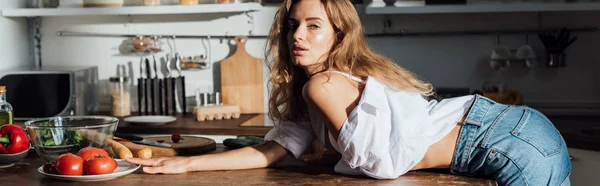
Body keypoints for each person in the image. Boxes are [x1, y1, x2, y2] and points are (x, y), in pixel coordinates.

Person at [126, 0, 572, 185]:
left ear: (338, 35)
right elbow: (271, 151)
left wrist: (330, 155)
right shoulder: (319, 85)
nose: (298, 35)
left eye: (313, 26)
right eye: (292, 25)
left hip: (502, 139)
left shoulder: (325, 84)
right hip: (515, 132)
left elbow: (381, 164)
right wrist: (185, 167)